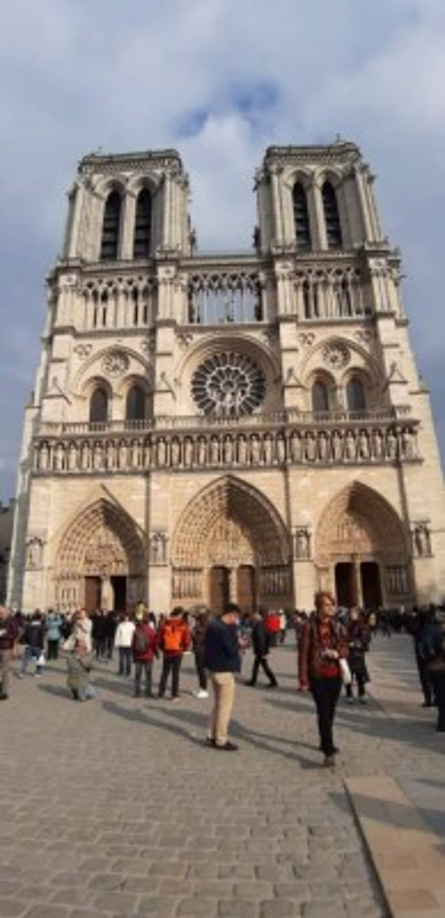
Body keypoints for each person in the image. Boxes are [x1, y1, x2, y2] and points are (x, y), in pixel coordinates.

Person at [298, 591, 348, 767]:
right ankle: (328, 750)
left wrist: (337, 653)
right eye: (327, 605)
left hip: (335, 674)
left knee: (330, 712)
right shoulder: (308, 626)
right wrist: (303, 680)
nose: (331, 608)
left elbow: (345, 648)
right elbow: (303, 654)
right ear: (319, 607)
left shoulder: (338, 625)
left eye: (332, 604)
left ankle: (324, 740)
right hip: (317, 675)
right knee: (324, 711)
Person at [204, 601, 241, 751]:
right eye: (236, 616)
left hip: (213, 670)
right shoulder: (224, 630)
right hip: (224, 672)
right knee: (225, 707)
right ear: (231, 614)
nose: (236, 620)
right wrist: (239, 643)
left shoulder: (213, 625)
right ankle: (221, 739)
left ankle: (211, 735)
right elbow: (231, 651)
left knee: (218, 705)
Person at [157, 607, 191, 701]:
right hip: (178, 651)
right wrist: (184, 648)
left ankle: (161, 693)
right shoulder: (183, 624)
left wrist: (163, 648)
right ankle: (174, 695)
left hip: (167, 651)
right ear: (179, 614)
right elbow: (187, 639)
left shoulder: (165, 623)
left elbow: (159, 638)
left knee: (165, 672)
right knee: (175, 673)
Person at [245, 610, 278, 688]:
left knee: (263, 666)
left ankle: (273, 681)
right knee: (259, 666)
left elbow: (260, 640)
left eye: (252, 619)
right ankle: (254, 680)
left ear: (256, 619)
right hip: (262, 650)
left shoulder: (258, 626)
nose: (251, 621)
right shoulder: (262, 625)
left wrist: (263, 652)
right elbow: (268, 637)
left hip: (261, 651)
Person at [345, 607, 370, 704]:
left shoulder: (363, 625)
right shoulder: (346, 624)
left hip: (358, 654)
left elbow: (366, 639)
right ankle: (349, 694)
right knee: (348, 676)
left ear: (358, 614)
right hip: (348, 654)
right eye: (350, 613)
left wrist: (354, 644)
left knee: (360, 676)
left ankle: (362, 694)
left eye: (353, 613)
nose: (351, 614)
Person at [132, 612, 158, 698]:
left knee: (137, 675)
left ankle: (137, 692)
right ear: (148, 622)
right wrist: (156, 653)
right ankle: (148, 692)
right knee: (148, 675)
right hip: (148, 655)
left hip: (138, 655)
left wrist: (134, 655)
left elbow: (132, 644)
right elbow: (154, 644)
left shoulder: (136, 630)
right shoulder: (151, 631)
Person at [0, 605, 20, 700]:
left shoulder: (12, 621)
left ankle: (4, 692)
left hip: (6, 648)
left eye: (2, 612)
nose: (1, 614)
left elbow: (15, 634)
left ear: (6, 611)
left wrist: (4, 634)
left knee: (5, 670)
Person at [18, 610, 46, 678]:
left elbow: (25, 636)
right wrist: (42, 648)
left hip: (29, 645)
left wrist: (26, 642)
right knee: (40, 660)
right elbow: (41, 638)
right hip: (38, 646)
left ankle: (22, 673)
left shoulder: (28, 626)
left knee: (25, 660)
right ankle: (38, 673)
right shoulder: (41, 627)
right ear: (39, 619)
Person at [191, 609, 210, 698]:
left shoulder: (200, 629)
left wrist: (193, 633)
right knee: (200, 670)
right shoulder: (205, 627)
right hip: (202, 651)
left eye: (197, 619)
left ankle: (204, 689)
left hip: (201, 651)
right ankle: (201, 688)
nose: (195, 621)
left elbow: (198, 640)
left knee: (201, 671)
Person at [114, 612, 135, 677]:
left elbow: (134, 635)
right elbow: (117, 635)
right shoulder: (123, 625)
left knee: (126, 658)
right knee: (123, 658)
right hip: (124, 643)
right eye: (125, 617)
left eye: (127, 617)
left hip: (127, 643)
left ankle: (125, 671)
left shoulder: (130, 625)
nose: (126, 618)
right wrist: (116, 643)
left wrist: (116, 643)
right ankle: (124, 671)